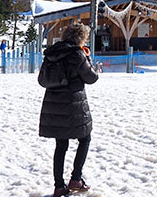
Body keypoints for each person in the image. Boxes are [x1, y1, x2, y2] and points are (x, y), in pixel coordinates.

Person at [39, 23, 99, 197]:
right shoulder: (77, 54)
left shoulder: (51, 53)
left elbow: (42, 80)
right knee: (85, 138)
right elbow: (92, 78)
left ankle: (59, 186)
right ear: (81, 38)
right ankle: (76, 178)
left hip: (54, 105)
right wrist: (87, 58)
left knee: (61, 145)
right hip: (73, 105)